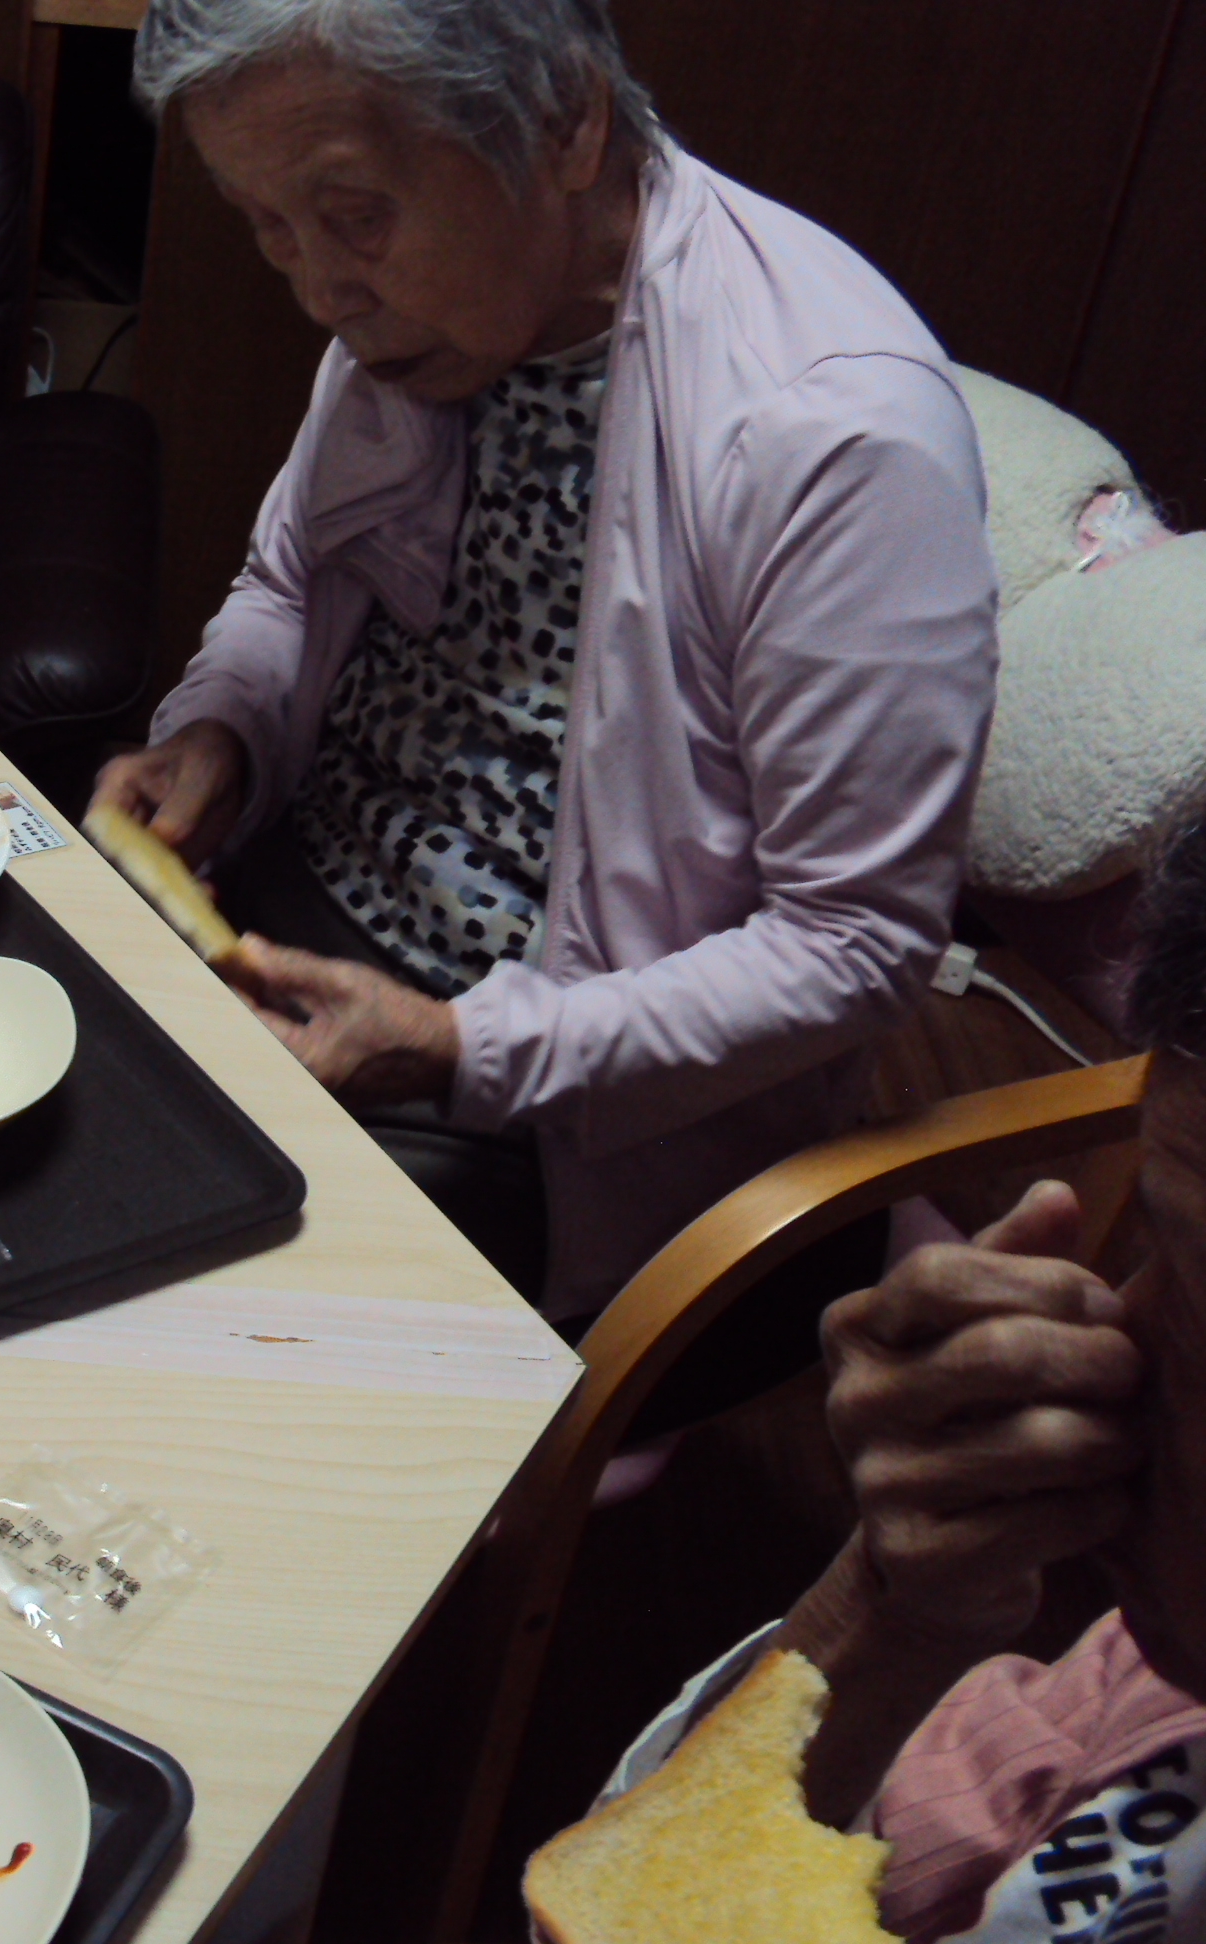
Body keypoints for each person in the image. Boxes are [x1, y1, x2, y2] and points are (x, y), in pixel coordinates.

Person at [94, 0, 999, 1317]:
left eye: (356, 215)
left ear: (568, 121)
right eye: (267, 225)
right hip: (292, 920)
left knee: (144, 1287)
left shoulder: (832, 434)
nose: (320, 291)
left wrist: (462, 1047)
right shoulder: (424, 319)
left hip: (554, 1092)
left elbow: (855, 943)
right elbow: (288, 583)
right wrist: (223, 730)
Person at [590, 811, 1206, 1941]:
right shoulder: (1138, 1696)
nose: (1118, 1344)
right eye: (1156, 1253)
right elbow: (627, 1911)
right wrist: (889, 1611)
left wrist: (461, 1045)